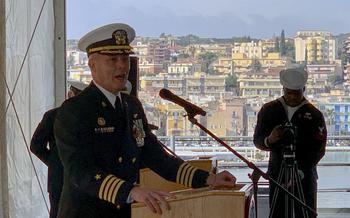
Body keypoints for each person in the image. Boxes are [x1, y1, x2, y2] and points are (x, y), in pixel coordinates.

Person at [53, 23, 236, 218]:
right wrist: (130, 191)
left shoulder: (131, 107)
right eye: (113, 59)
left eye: (125, 58)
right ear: (92, 65)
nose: (122, 66)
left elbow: (155, 156)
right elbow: (80, 171)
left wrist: (208, 179)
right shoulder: (75, 110)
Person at [253, 68, 327, 218]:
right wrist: (270, 140)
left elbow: (319, 148)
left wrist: (301, 170)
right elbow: (258, 140)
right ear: (283, 89)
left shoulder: (314, 115)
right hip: (277, 171)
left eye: (296, 93)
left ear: (304, 89)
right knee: (277, 213)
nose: (292, 97)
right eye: (289, 93)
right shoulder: (269, 110)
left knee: (305, 213)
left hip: (305, 175)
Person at [30, 80, 88, 218]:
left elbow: (36, 146)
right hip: (62, 180)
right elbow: (36, 145)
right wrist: (55, 162)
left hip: (80, 180)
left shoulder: (87, 118)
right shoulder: (53, 116)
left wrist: (56, 163)